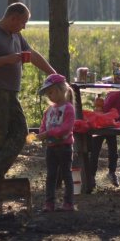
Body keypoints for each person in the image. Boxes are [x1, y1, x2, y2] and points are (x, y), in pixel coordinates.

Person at [0, 2, 56, 190]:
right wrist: (6, 60)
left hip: (10, 92)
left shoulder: (16, 34)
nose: (24, 26)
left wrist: (53, 74)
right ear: (13, 18)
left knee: (20, 132)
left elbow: (32, 55)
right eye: (23, 22)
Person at [36, 74, 77, 212]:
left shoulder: (68, 108)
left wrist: (48, 133)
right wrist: (42, 133)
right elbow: (44, 124)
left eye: (51, 92)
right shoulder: (49, 110)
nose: (49, 96)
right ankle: (49, 203)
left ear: (61, 90)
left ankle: (68, 203)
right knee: (51, 175)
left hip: (64, 147)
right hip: (51, 147)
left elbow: (66, 128)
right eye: (48, 94)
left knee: (66, 174)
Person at [90, 74, 120, 187]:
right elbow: (104, 109)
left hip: (111, 125)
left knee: (113, 150)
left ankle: (112, 172)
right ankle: (91, 176)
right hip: (101, 124)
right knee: (95, 150)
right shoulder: (114, 95)